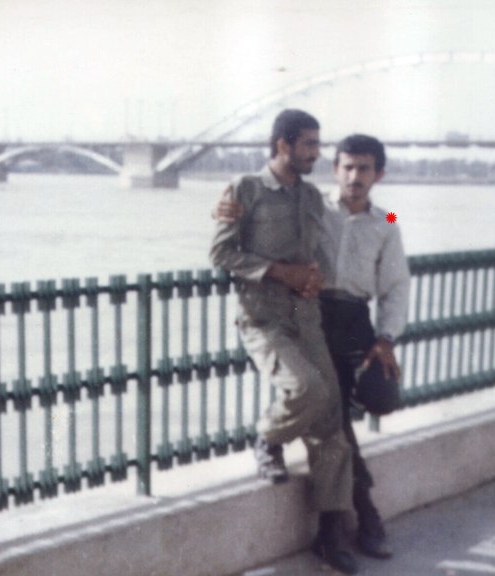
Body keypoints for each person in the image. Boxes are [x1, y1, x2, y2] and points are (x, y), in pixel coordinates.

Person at [215, 133, 410, 560]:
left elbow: (396, 283)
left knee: (370, 403)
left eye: (364, 169)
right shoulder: (314, 204)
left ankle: (348, 514)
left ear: (379, 174)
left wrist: (386, 337)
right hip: (313, 315)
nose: (354, 177)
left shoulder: (388, 218)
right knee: (333, 419)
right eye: (347, 167)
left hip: (355, 322)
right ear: (335, 169)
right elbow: (261, 215)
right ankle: (362, 515)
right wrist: (225, 208)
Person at [210, 109, 358, 574]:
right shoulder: (247, 189)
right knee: (308, 389)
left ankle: (332, 535)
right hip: (267, 315)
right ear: (283, 145)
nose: (318, 153)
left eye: (366, 170)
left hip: (331, 321)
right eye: (310, 144)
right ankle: (267, 438)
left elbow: (369, 218)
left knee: (332, 420)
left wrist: (389, 218)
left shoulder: (348, 207)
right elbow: (220, 251)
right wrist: (284, 273)